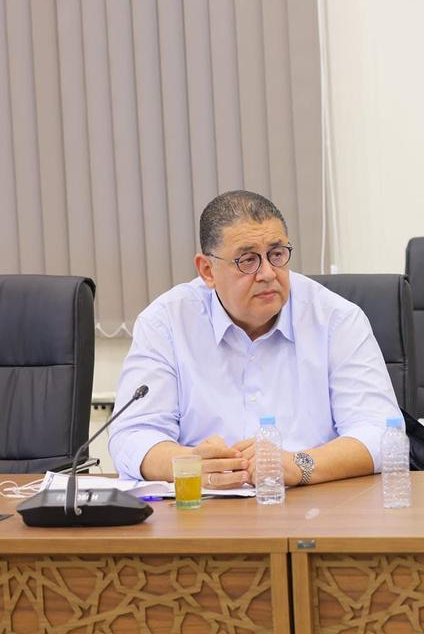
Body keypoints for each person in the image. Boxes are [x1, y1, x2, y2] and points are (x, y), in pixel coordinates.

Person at [108, 190, 399, 488]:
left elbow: (381, 432)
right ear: (208, 270)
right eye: (248, 260)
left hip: (313, 502)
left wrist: (301, 465)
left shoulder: (336, 319)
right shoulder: (166, 323)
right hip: (204, 508)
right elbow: (132, 435)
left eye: (277, 254)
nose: (268, 273)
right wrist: (186, 463)